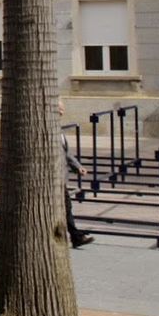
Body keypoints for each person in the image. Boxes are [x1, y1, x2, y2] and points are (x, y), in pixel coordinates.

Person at [60, 100, 94, 248]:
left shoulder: (58, 129)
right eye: (59, 108)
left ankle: (75, 236)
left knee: (66, 207)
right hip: (54, 178)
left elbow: (66, 153)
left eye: (62, 108)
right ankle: (76, 236)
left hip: (61, 178)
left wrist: (78, 166)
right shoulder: (47, 129)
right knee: (66, 207)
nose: (62, 111)